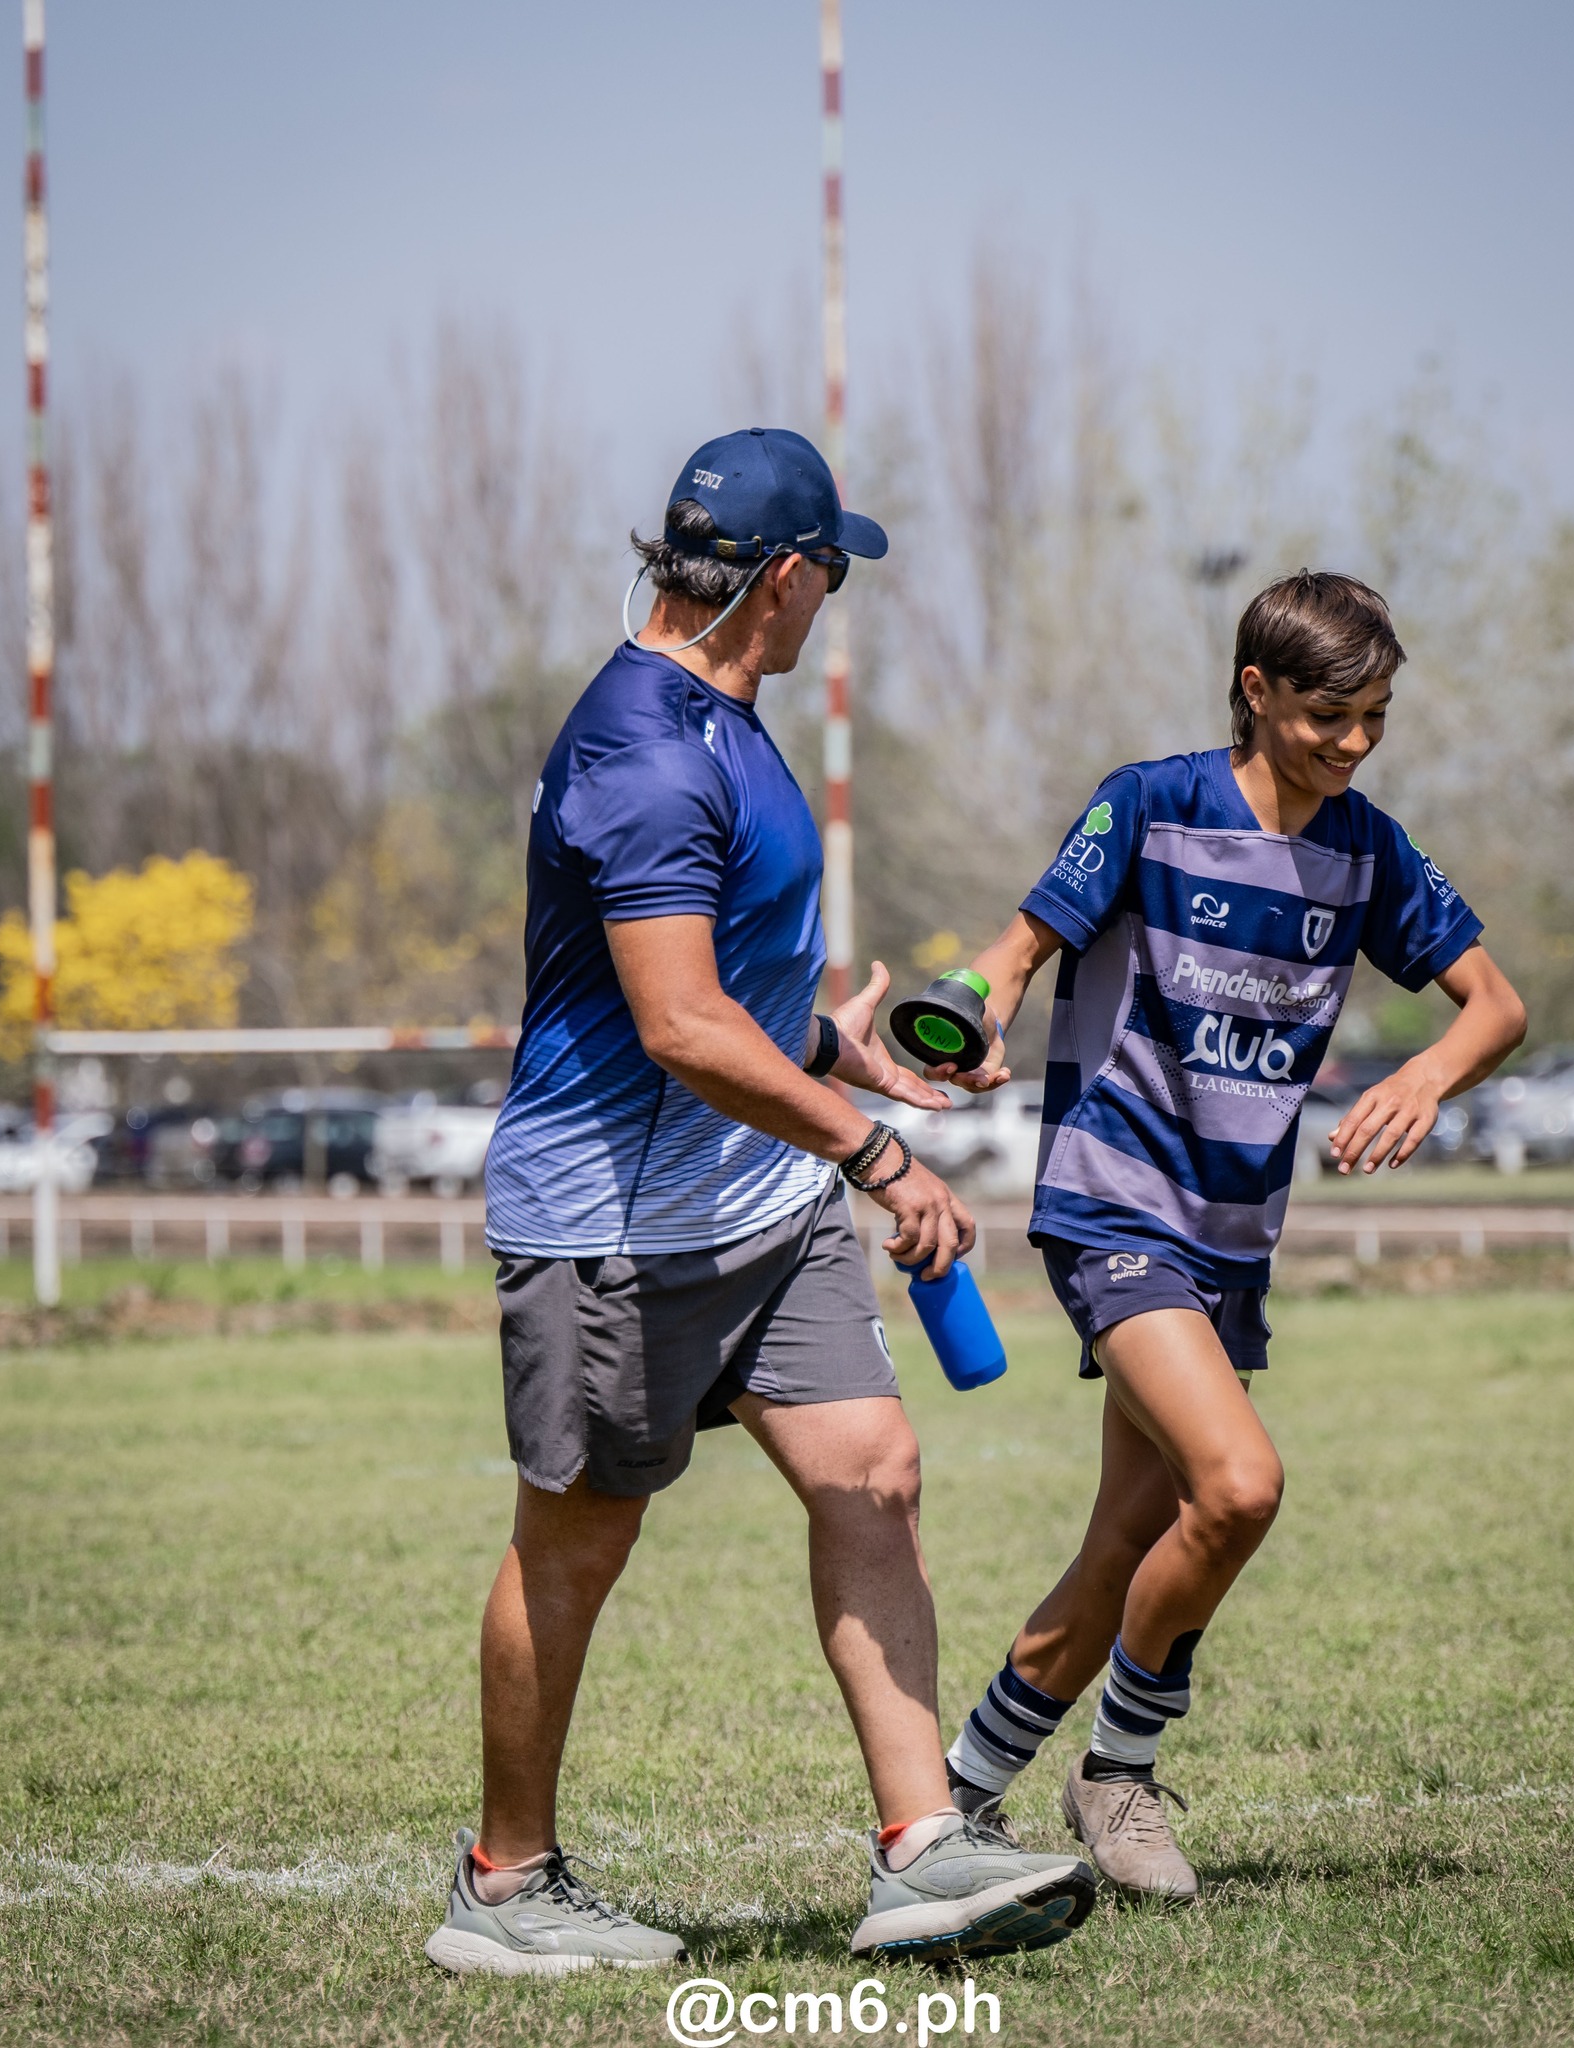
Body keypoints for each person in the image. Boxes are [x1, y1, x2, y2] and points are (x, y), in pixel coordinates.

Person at [425, 427, 1094, 1977]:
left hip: (754, 1191)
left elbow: (714, 999)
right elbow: (669, 1026)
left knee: (871, 1468)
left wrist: (830, 1050)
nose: (829, 602)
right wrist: (870, 1150)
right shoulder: (642, 753)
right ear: (783, 579)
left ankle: (923, 1847)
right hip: (612, 1224)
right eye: (830, 574)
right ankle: (506, 1887)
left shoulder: (722, 719)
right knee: (575, 1548)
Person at [932, 571, 1527, 1901]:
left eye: (1374, 718)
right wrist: (972, 1003)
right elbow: (1018, 948)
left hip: (1228, 1233)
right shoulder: (1149, 804)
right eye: (1329, 717)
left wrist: (1426, 1074)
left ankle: (956, 1800)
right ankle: (1119, 1773)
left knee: (1127, 1541)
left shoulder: (1364, 848)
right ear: (1253, 691)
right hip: (1111, 1199)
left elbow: (1495, 1005)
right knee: (1239, 1485)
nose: (1354, 745)